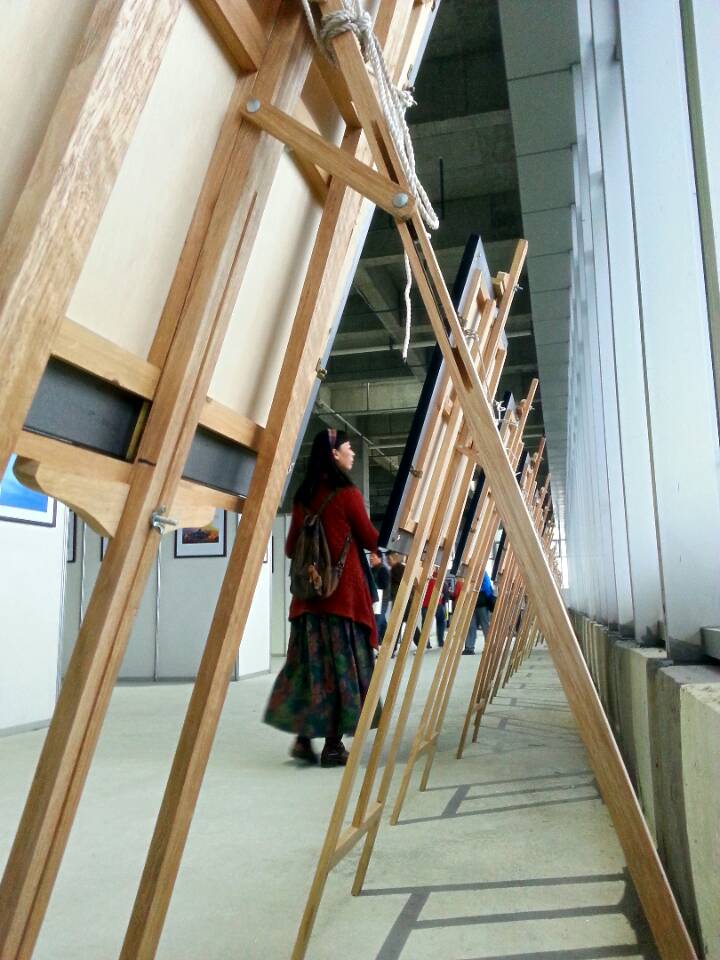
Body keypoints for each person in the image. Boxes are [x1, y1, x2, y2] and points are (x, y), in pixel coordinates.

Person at [264, 428, 379, 768]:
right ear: (334, 454)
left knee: (309, 670)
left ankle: (303, 739)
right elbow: (370, 538)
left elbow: (290, 548)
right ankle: (332, 746)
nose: (353, 454)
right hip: (342, 601)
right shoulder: (347, 495)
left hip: (308, 604)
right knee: (342, 672)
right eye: (348, 448)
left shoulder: (303, 497)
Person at [462, 570, 495, 655]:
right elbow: (487, 587)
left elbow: (487, 587)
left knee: (473, 625)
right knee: (483, 625)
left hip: (476, 602)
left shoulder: (480, 571)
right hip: (479, 603)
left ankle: (469, 648)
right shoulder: (481, 572)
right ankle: (488, 647)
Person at [369, 550, 390, 641]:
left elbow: (384, 585)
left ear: (379, 558)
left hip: (381, 600)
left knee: (377, 622)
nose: (370, 558)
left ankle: (376, 642)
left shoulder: (383, 569)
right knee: (381, 622)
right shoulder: (372, 569)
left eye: (373, 556)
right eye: (370, 556)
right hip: (375, 599)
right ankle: (386, 642)